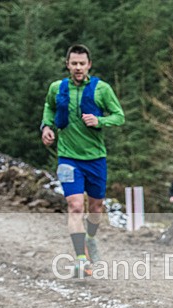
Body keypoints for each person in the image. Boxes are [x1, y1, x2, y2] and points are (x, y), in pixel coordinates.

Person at [41, 44, 125, 277]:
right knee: (75, 206)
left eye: (82, 63)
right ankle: (81, 258)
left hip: (96, 158)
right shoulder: (57, 88)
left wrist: (100, 121)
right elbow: (49, 106)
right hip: (68, 158)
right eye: (73, 63)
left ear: (89, 65)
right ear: (68, 64)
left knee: (96, 207)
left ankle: (90, 238)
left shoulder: (102, 89)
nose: (78, 67)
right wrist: (46, 126)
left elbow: (119, 116)